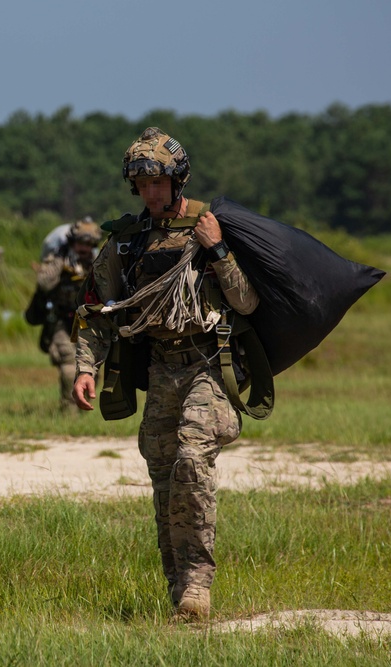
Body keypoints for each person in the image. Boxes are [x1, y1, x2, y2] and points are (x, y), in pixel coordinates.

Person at [72, 127, 260, 620]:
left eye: (159, 182)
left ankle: (198, 585)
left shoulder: (210, 227)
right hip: (160, 370)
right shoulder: (127, 242)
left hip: (208, 365)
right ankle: (179, 590)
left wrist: (217, 251)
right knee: (163, 478)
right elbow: (96, 308)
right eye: (142, 184)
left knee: (192, 461)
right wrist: (84, 368)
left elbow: (245, 301)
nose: (151, 192)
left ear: (178, 181)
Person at [32, 218, 102, 413]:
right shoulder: (58, 259)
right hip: (63, 322)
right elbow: (44, 283)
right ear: (72, 242)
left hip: (90, 323)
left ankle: (85, 412)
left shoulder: (99, 262)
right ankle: (69, 412)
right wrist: (60, 263)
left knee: (92, 369)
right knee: (69, 365)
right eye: (80, 242)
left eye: (89, 244)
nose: (84, 248)